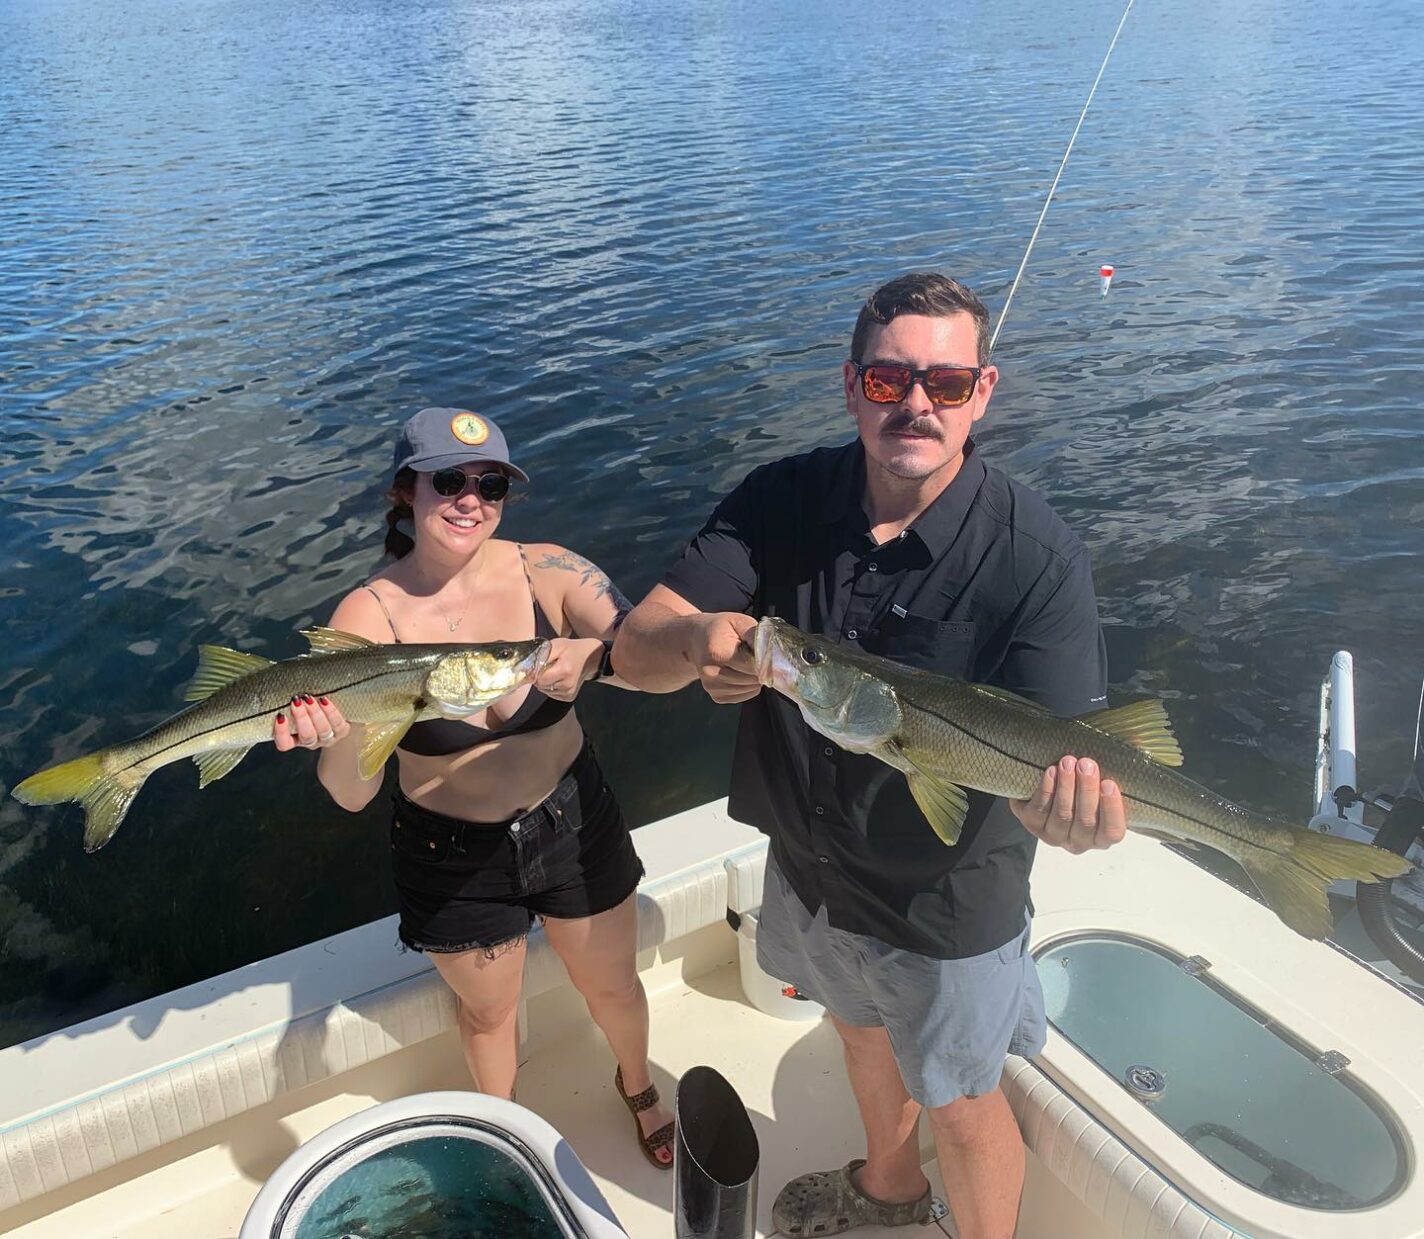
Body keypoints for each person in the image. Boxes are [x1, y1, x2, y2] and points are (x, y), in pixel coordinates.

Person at [613, 274, 1128, 1235]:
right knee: (855, 1032)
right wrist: (694, 643)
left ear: (986, 389)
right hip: (809, 870)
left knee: (964, 1104)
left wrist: (1071, 813)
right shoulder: (782, 498)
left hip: (944, 903)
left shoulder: (1037, 556)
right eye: (891, 382)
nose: (918, 404)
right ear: (852, 386)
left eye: (948, 381)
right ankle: (889, 1188)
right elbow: (637, 644)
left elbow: (1068, 756)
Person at [272, 407, 674, 1168]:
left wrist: (595, 654)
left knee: (614, 986)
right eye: (448, 480)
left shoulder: (547, 571)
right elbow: (352, 795)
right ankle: (508, 1137)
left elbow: (646, 652)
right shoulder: (369, 614)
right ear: (405, 492)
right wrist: (341, 732)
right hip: (448, 849)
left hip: (570, 818)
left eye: (490, 483)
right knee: (490, 1015)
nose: (470, 498)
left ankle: (639, 1083)